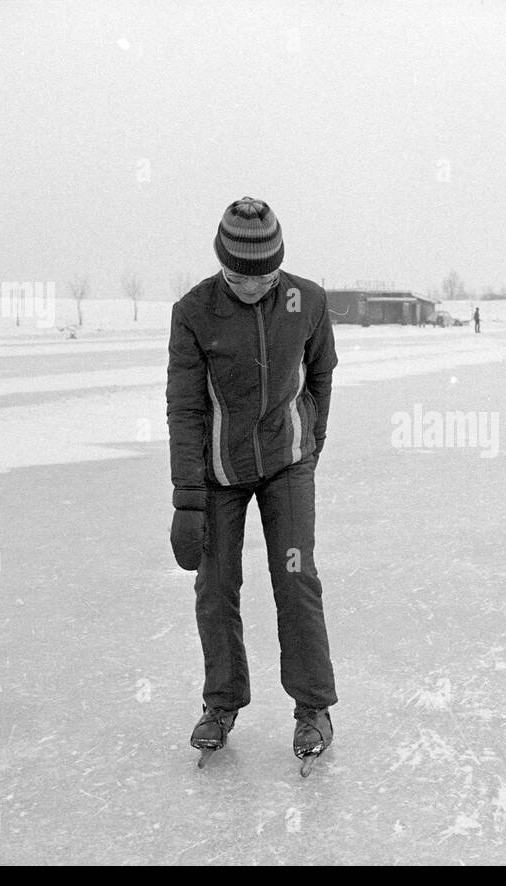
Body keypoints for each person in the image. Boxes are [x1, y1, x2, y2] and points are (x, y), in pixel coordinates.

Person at [166, 196, 339, 776]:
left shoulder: (308, 301)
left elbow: (321, 374)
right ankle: (221, 703)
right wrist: (187, 501)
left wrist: (311, 438)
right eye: (238, 275)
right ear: (221, 264)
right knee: (215, 588)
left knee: (294, 581)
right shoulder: (193, 312)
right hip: (219, 475)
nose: (250, 286)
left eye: (263, 275)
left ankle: (313, 707)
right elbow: (185, 410)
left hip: (287, 464)